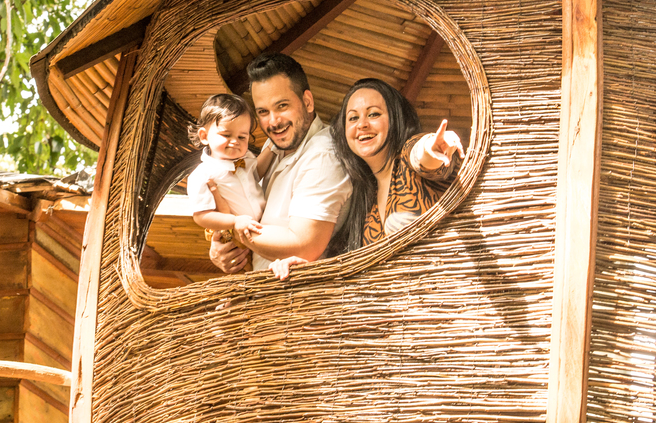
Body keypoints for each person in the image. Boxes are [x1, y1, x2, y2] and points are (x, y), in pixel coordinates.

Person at [269, 78, 465, 279]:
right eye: (353, 118)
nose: (362, 124)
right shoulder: (363, 198)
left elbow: (423, 157)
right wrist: (308, 267)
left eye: (373, 114)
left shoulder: (407, 156)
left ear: (395, 119)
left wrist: (434, 149)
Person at [208, 55, 351, 273]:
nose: (273, 121)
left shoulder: (324, 154)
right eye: (263, 112)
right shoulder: (278, 143)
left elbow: (304, 246)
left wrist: (231, 227)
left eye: (282, 106)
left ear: (308, 101)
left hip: (302, 300)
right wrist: (223, 246)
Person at [186, 93, 274, 242]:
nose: (235, 142)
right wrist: (234, 221)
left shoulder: (246, 158)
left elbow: (256, 172)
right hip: (234, 234)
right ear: (204, 136)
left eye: (242, 137)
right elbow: (201, 216)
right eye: (226, 135)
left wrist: (272, 147)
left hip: (264, 226)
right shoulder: (202, 175)